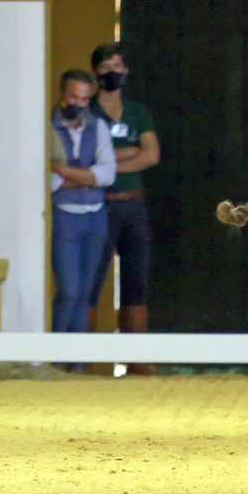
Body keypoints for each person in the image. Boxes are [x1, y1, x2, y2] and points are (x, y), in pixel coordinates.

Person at [86, 42, 161, 376]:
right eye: (105, 67)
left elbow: (151, 155)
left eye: (117, 65)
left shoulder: (137, 111)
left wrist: (107, 164)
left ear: (126, 71)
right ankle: (83, 357)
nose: (112, 72)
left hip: (134, 206)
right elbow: (84, 158)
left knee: (137, 279)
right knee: (91, 279)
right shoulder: (86, 111)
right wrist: (128, 152)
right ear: (95, 72)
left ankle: (136, 357)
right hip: (99, 206)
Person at [49, 70, 116, 361]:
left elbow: (108, 173)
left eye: (85, 98)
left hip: (96, 216)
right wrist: (88, 177)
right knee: (69, 289)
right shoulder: (46, 127)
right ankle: (56, 358)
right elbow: (47, 181)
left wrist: (65, 172)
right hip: (65, 215)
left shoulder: (97, 125)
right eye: (74, 97)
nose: (79, 103)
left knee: (87, 290)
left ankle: (76, 362)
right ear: (63, 95)